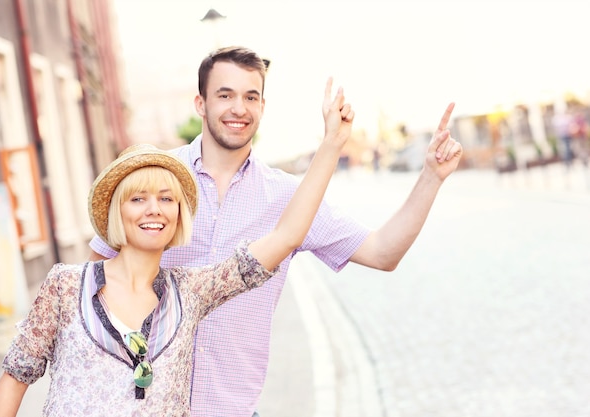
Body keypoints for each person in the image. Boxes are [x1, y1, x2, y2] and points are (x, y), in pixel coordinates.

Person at [89, 46, 463, 417]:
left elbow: (383, 252)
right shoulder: (155, 178)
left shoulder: (290, 199)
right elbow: (94, 282)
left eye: (251, 97)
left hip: (231, 409)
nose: (239, 108)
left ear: (262, 108)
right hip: (141, 407)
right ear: (200, 104)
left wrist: (430, 177)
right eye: (225, 95)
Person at [0, 79, 354, 417]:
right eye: (137, 199)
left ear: (178, 216)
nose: (154, 210)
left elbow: (286, 236)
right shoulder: (65, 287)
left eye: (166, 199)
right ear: (117, 211)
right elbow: (14, 380)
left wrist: (331, 145)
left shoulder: (191, 292)